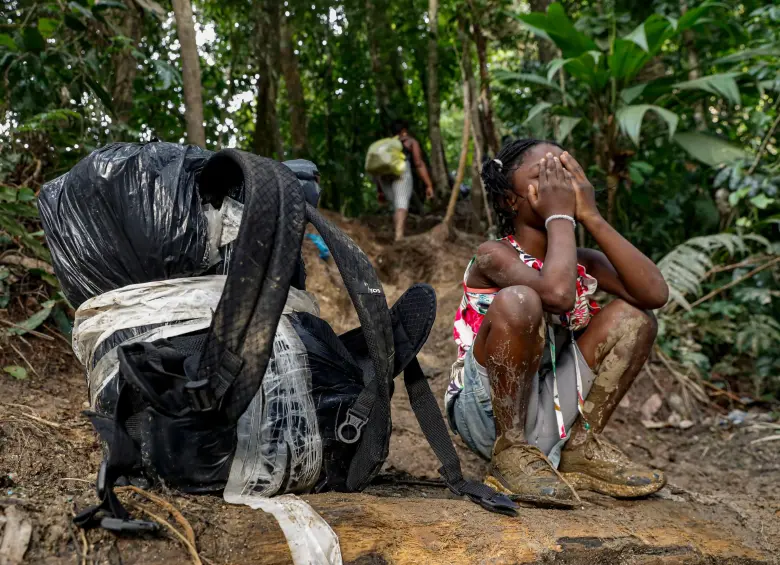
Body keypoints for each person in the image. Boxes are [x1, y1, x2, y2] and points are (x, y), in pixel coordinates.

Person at [445, 138, 670, 507]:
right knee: (521, 300)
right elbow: (557, 295)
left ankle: (579, 447)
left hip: (553, 411)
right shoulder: (492, 256)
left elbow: (654, 294)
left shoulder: (585, 262)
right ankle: (510, 453)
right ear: (508, 200)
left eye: (565, 174)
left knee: (634, 318)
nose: (558, 186)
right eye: (543, 176)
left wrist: (591, 217)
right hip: (487, 414)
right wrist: (561, 216)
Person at [375, 119, 434, 241]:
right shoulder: (409, 141)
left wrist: (379, 190)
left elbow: (377, 168)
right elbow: (418, 164)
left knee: (396, 205)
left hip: (383, 177)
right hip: (401, 171)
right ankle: (398, 237)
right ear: (404, 131)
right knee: (401, 205)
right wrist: (429, 185)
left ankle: (397, 232)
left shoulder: (386, 145)